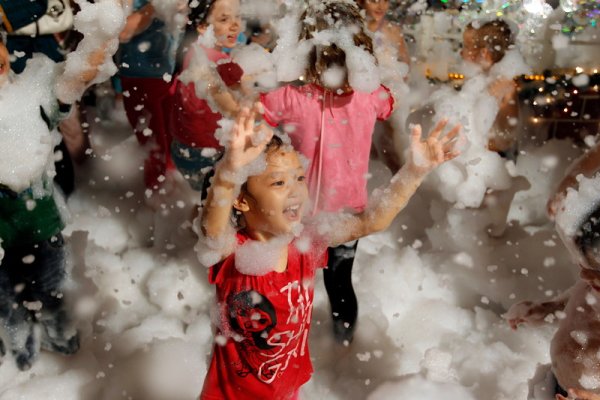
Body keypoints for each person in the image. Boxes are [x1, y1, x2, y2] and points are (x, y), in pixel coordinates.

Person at [198, 108, 461, 400]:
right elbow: (212, 228)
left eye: (299, 178)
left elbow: (371, 221)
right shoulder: (232, 253)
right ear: (242, 202)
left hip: (287, 387)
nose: (296, 191)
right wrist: (229, 175)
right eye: (278, 183)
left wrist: (414, 172)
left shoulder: (306, 243)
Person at [260, 0, 394, 344]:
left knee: (290, 282)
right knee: (339, 283)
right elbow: (387, 104)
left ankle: (286, 343)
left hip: (297, 211)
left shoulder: (292, 96)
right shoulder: (368, 96)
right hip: (345, 214)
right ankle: (342, 343)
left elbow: (257, 113)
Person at [0, 24, 109, 371]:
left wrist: (104, 28)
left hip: (42, 222)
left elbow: (73, 81)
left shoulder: (33, 92)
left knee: (50, 291)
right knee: (6, 301)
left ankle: (62, 341)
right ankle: (21, 349)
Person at [506, 143, 600, 400]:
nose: (586, 277)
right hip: (555, 387)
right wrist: (548, 308)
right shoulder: (593, 281)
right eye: (582, 264)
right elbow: (580, 304)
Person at [169, 0, 243, 194]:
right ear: (202, 26)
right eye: (224, 19)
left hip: (185, 147)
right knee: (216, 206)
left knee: (204, 203)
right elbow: (233, 107)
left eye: (238, 16)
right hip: (205, 154)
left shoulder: (193, 50)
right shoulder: (215, 64)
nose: (236, 25)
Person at [116, 0, 184, 191]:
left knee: (170, 140)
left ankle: (170, 196)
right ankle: (156, 197)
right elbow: (122, 31)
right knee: (154, 146)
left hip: (166, 73)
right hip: (140, 77)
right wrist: (155, 6)